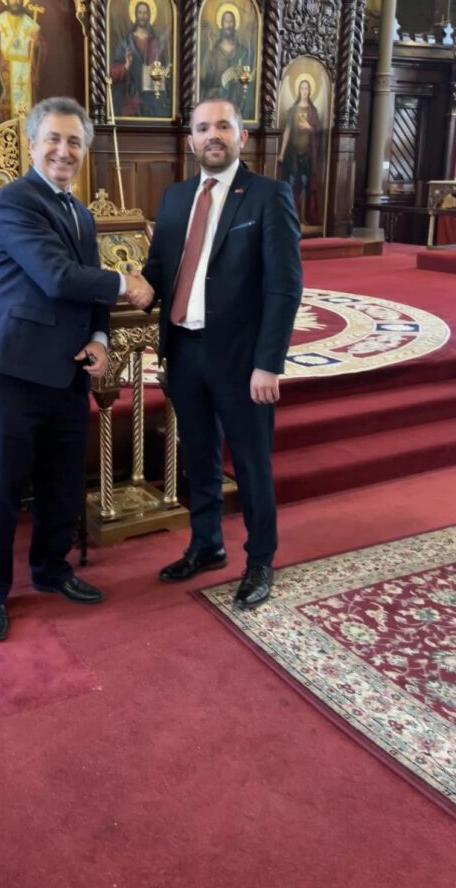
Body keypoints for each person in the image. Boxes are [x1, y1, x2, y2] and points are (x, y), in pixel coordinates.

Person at [0, 96, 151, 641]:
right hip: (12, 371)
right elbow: (56, 276)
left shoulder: (82, 213)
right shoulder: (14, 200)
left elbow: (86, 289)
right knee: (2, 491)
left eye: (74, 141)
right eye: (53, 138)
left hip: (69, 371)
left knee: (63, 487)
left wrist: (100, 337)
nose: (63, 150)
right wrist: (126, 282)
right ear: (32, 144)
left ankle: (52, 570)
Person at [136, 98, 302, 608]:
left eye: (223, 126)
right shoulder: (175, 197)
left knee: (250, 463)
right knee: (199, 456)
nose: (214, 135)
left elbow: (284, 287)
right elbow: (160, 268)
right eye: (204, 127)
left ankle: (260, 560)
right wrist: (134, 285)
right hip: (184, 352)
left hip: (241, 359)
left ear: (241, 136)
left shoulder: (268, 196)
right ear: (191, 139)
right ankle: (206, 545)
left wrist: (268, 363)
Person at [109, 0, 171, 118]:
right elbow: (113, 73)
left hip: (153, 94)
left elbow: (166, 69)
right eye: (140, 12)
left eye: (145, 13)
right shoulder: (126, 42)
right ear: (136, 15)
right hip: (131, 94)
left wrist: (160, 72)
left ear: (149, 16)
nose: (142, 16)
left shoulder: (156, 42)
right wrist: (126, 65)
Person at [278, 77, 323, 227]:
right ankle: (291, 216)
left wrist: (309, 127)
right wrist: (282, 153)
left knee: (304, 184)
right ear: (298, 90)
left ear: (310, 91)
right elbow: (287, 131)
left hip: (307, 155)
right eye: (302, 88)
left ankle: (303, 216)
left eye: (306, 88)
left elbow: (318, 131)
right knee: (291, 184)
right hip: (293, 153)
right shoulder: (293, 110)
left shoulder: (312, 111)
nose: (304, 91)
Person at [199, 8, 254, 119]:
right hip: (215, 103)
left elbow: (248, 83)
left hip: (237, 105)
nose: (228, 25)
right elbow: (202, 77)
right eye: (226, 21)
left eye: (231, 22)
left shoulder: (242, 52)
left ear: (235, 24)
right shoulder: (213, 51)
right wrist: (210, 50)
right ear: (221, 24)